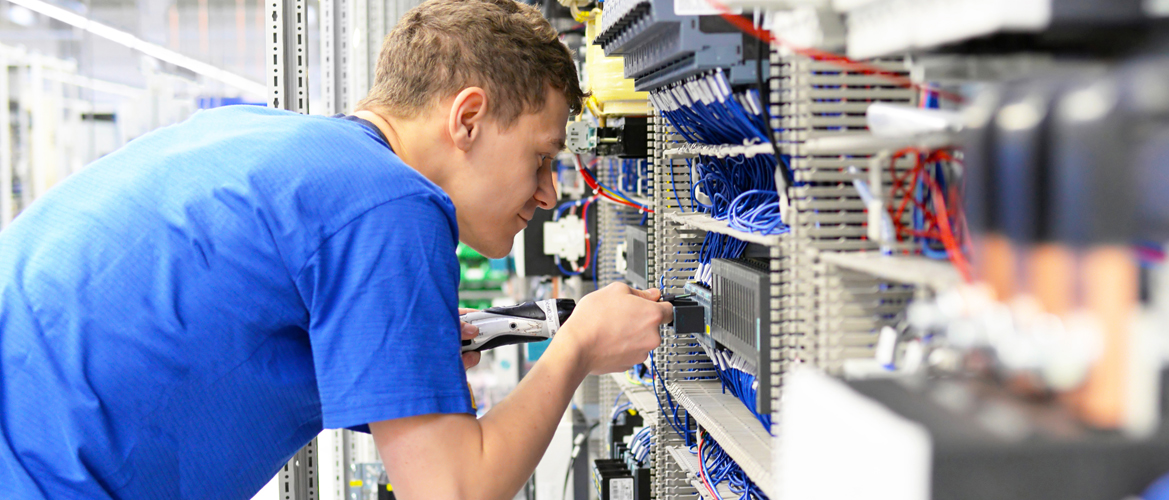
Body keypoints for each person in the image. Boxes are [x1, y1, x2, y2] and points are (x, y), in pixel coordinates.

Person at [0, 0, 671, 498]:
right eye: (541, 158)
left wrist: (398, 358)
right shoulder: (389, 202)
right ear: (467, 119)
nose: (551, 193)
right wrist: (578, 346)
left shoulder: (276, 140)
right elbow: (454, 491)